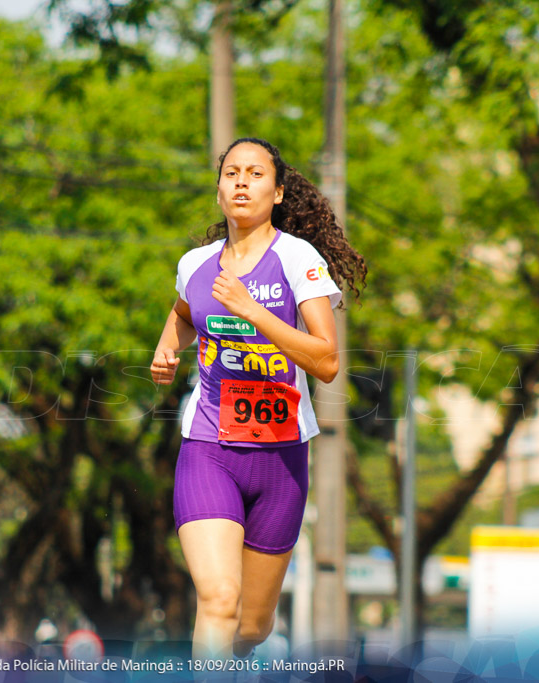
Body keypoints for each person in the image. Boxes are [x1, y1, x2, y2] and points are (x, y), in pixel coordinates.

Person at [150, 137, 366, 658]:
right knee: (219, 602)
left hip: (281, 459)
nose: (241, 182)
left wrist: (254, 312)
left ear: (278, 193)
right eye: (231, 173)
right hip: (209, 448)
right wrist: (165, 349)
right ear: (220, 189)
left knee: (250, 626)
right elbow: (185, 312)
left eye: (255, 173)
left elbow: (327, 361)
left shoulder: (296, 258)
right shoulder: (195, 263)